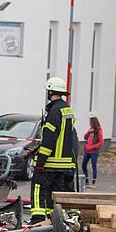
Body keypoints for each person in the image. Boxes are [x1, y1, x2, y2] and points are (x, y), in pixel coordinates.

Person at [30, 77, 78, 224]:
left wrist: (40, 162)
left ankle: (37, 219)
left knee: (38, 187)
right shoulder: (67, 110)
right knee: (56, 193)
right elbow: (64, 135)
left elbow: (50, 139)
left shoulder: (54, 111)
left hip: (51, 162)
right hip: (64, 163)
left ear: (50, 91)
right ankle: (55, 220)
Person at [81, 115, 103, 188]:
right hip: (87, 150)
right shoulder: (90, 130)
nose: (89, 124)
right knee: (83, 164)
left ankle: (94, 181)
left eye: (90, 122)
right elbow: (85, 137)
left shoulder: (99, 131)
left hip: (94, 151)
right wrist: (88, 132)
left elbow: (101, 142)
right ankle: (86, 179)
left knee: (94, 165)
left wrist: (92, 147)